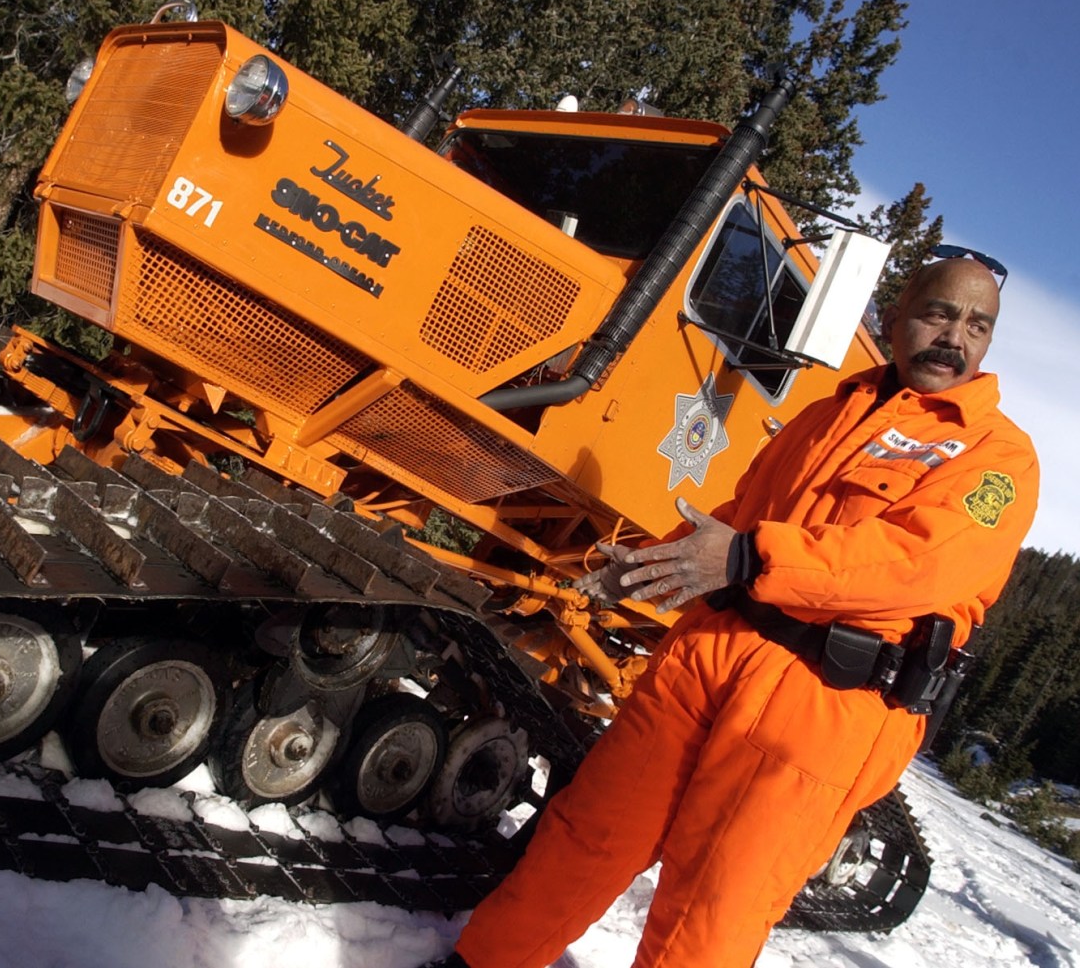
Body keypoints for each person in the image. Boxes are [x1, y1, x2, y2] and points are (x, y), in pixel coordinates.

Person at [432, 254, 1039, 968]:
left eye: (978, 325)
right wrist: (654, 564)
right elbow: (738, 516)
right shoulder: (828, 413)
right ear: (898, 313)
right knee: (590, 831)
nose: (954, 337)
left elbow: (915, 564)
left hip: (824, 702)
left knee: (714, 906)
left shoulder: (996, 458)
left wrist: (751, 560)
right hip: (714, 648)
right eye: (939, 313)